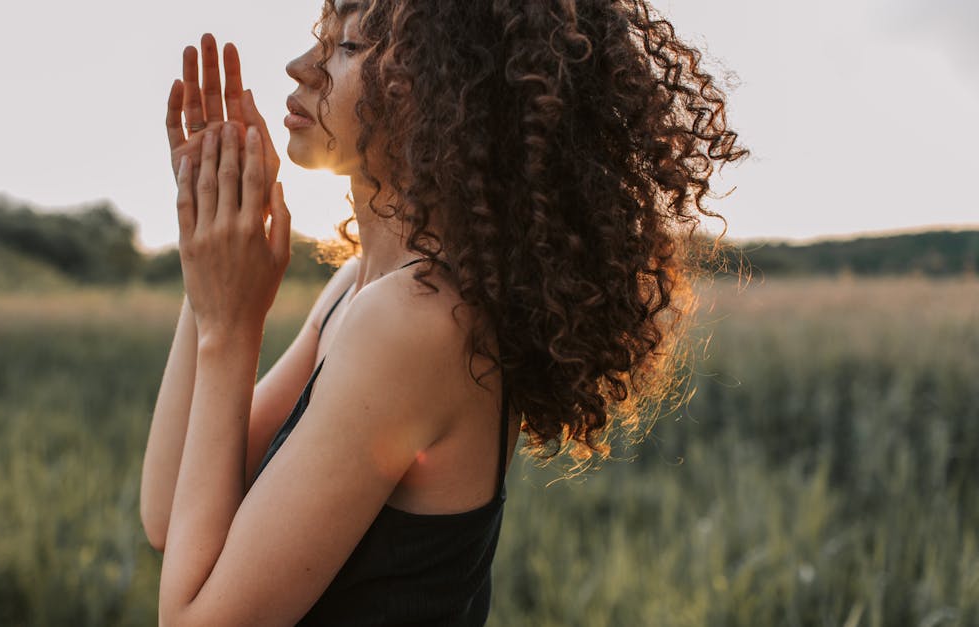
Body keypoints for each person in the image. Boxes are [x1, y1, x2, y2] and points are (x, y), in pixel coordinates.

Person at [139, 0, 748, 624]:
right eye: (321, 39)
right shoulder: (358, 290)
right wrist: (212, 256)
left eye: (349, 47)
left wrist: (229, 326)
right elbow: (168, 517)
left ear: (447, 86)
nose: (301, 67)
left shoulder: (418, 320)